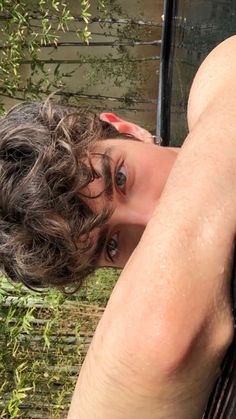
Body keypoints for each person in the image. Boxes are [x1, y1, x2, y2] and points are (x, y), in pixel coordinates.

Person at [0, 35, 235, 417]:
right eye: (112, 245)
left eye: (121, 178)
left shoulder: (217, 83)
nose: (152, 219)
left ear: (126, 128)